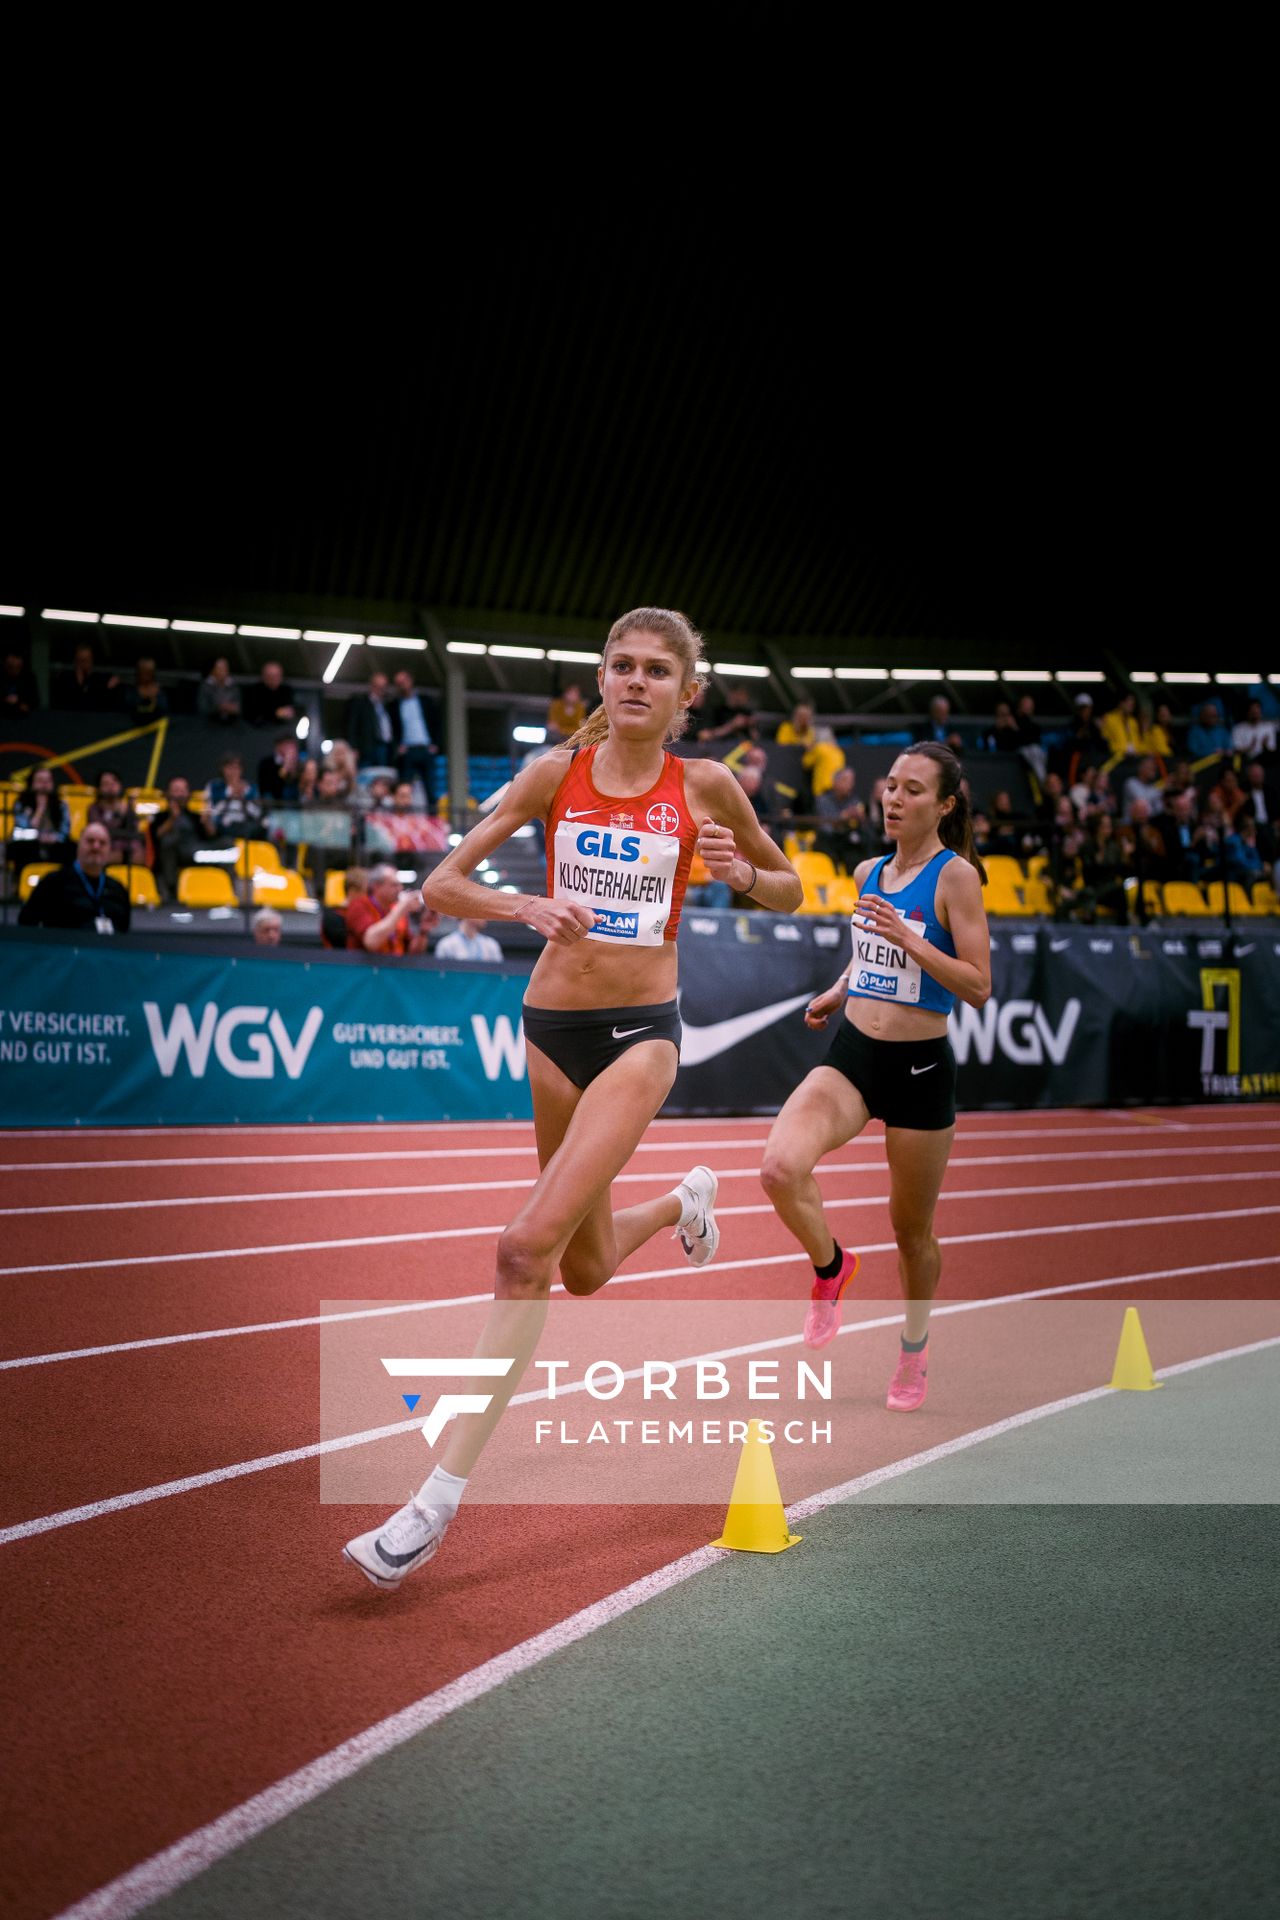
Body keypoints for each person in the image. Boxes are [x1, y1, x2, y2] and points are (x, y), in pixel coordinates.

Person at [343, 605, 802, 1590]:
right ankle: (683, 1202)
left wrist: (740, 872)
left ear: (685, 694)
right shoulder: (555, 774)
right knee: (585, 1267)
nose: (634, 682)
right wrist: (523, 904)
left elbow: (790, 887)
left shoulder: (708, 784)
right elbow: (441, 885)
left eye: (654, 671)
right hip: (549, 1031)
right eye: (620, 666)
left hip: (641, 1037)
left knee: (523, 1250)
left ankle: (431, 1505)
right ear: (602, 678)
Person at [757, 743, 991, 1414]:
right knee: (778, 1167)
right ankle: (831, 1266)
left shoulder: (957, 879)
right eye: (891, 786)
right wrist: (840, 988)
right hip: (855, 1052)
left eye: (913, 790)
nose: (894, 798)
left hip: (920, 1071)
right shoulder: (867, 870)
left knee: (910, 1232)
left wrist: (916, 941)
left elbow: (978, 985)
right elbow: (872, 953)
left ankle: (913, 1351)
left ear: (944, 805)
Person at [18, 823, 130, 933]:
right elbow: (26, 922)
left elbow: (124, 931)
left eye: (102, 843)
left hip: (108, 950)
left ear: (109, 849)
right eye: (90, 841)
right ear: (79, 845)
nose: (96, 847)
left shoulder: (118, 890)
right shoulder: (53, 883)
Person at [344, 863, 435, 955]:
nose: (400, 888)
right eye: (394, 885)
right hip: (365, 968)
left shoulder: (396, 910)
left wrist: (423, 931)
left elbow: (413, 952)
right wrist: (401, 908)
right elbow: (371, 942)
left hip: (395, 967)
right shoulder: (359, 905)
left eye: (400, 884)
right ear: (376, 886)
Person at [149, 777, 207, 901]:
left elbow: (208, 838)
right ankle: (171, 890)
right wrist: (173, 818)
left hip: (194, 852)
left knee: (227, 844)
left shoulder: (195, 816)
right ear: (168, 793)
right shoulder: (160, 816)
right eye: (176, 790)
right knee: (169, 845)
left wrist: (208, 823)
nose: (179, 794)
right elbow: (156, 836)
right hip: (170, 855)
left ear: (188, 794)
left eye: (183, 790)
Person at [391, 668, 440, 806]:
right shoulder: (395, 705)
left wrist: (435, 744)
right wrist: (398, 747)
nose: (402, 685)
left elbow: (436, 723)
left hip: (426, 748)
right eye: (398, 683)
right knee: (405, 786)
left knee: (430, 787)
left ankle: (432, 818)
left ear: (410, 681)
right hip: (408, 751)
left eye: (404, 681)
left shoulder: (425, 701)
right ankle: (405, 815)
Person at [11, 767, 72, 868]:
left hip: (55, 845)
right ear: (32, 783)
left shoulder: (61, 805)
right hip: (30, 845)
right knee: (21, 848)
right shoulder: (22, 803)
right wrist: (40, 809)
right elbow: (21, 830)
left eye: (48, 781)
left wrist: (54, 837)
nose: (44, 785)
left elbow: (65, 831)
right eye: (40, 781)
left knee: (70, 848)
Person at [87, 769, 146, 865]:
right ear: (99, 788)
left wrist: (128, 813)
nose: (111, 786)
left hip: (127, 850)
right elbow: (101, 831)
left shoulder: (127, 807)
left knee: (138, 849)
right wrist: (120, 816)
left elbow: (133, 831)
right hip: (106, 848)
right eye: (106, 783)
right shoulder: (94, 809)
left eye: (114, 782)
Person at [346, 672, 398, 766]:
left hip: (385, 747)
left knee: (383, 775)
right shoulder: (361, 702)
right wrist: (353, 747)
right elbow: (352, 726)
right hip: (366, 748)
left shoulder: (388, 705)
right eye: (378, 686)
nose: (381, 690)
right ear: (372, 686)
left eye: (384, 686)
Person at [53, 643, 118, 713]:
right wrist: (79, 679)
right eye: (80, 659)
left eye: (87, 659)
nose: (83, 662)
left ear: (92, 660)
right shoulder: (65, 677)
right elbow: (64, 702)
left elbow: (102, 703)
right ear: (75, 660)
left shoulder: (101, 679)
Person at [243, 661, 297, 728]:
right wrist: (276, 713)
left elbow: (291, 711)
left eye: (276, 675)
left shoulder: (287, 690)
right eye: (269, 676)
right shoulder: (253, 691)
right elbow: (253, 714)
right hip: (257, 729)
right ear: (263, 676)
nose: (273, 679)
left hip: (282, 729)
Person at [435, 917, 504, 962]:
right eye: (481, 911)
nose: (486, 916)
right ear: (468, 912)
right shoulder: (446, 945)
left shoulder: (491, 945)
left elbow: (500, 975)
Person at [1100, 691, 1143, 759]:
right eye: (1129, 702)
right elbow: (1104, 741)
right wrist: (1121, 752)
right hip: (1116, 758)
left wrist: (1139, 751)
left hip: (1134, 759)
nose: (1132, 705)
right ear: (1121, 703)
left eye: (1133, 703)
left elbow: (1138, 742)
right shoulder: (1109, 718)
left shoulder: (1133, 721)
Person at [198, 658, 242, 725]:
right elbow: (202, 708)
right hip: (210, 723)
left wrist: (235, 708)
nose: (224, 671)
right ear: (213, 671)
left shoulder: (234, 685)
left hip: (232, 722)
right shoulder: (206, 686)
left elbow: (240, 704)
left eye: (226, 668)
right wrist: (219, 707)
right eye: (220, 669)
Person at [3, 649, 39, 715]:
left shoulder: (28, 677)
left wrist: (19, 701)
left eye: (18, 667)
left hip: (24, 718)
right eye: (10, 667)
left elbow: (35, 700)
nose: (14, 671)